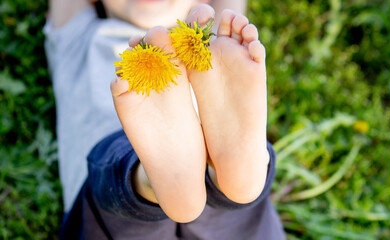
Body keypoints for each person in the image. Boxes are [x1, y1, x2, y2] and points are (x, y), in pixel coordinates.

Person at [44, 0, 286, 239]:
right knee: (119, 168)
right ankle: (154, 179)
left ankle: (216, 179)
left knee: (222, 183)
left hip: (111, 213)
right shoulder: (78, 35)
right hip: (115, 188)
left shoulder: (216, 49)